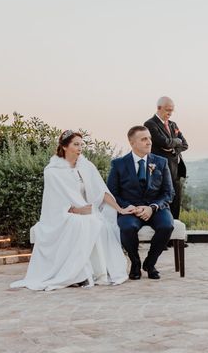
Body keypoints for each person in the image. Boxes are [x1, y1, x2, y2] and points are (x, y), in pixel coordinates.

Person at [10, 130, 130, 291]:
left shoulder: (86, 166)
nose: (80, 148)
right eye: (76, 144)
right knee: (84, 223)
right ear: (65, 147)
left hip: (87, 211)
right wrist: (76, 210)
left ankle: (98, 273)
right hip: (62, 215)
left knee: (100, 223)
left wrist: (119, 209)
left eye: (81, 144)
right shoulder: (53, 171)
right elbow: (54, 201)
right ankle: (80, 274)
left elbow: (102, 192)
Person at [107, 125, 174, 280]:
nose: (149, 142)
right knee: (127, 227)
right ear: (132, 143)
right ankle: (135, 262)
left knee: (167, 226)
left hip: (156, 208)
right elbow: (112, 193)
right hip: (130, 209)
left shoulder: (161, 162)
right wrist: (127, 206)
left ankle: (150, 263)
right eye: (144, 139)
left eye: (149, 138)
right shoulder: (118, 164)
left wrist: (152, 207)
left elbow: (168, 193)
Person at [144, 96, 188, 220]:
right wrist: (175, 141)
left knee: (176, 200)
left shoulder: (173, 125)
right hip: (159, 170)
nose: (170, 113)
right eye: (168, 110)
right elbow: (164, 142)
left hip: (175, 170)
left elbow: (184, 144)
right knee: (162, 200)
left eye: (172, 110)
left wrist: (173, 148)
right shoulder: (150, 124)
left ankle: (175, 229)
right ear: (159, 108)